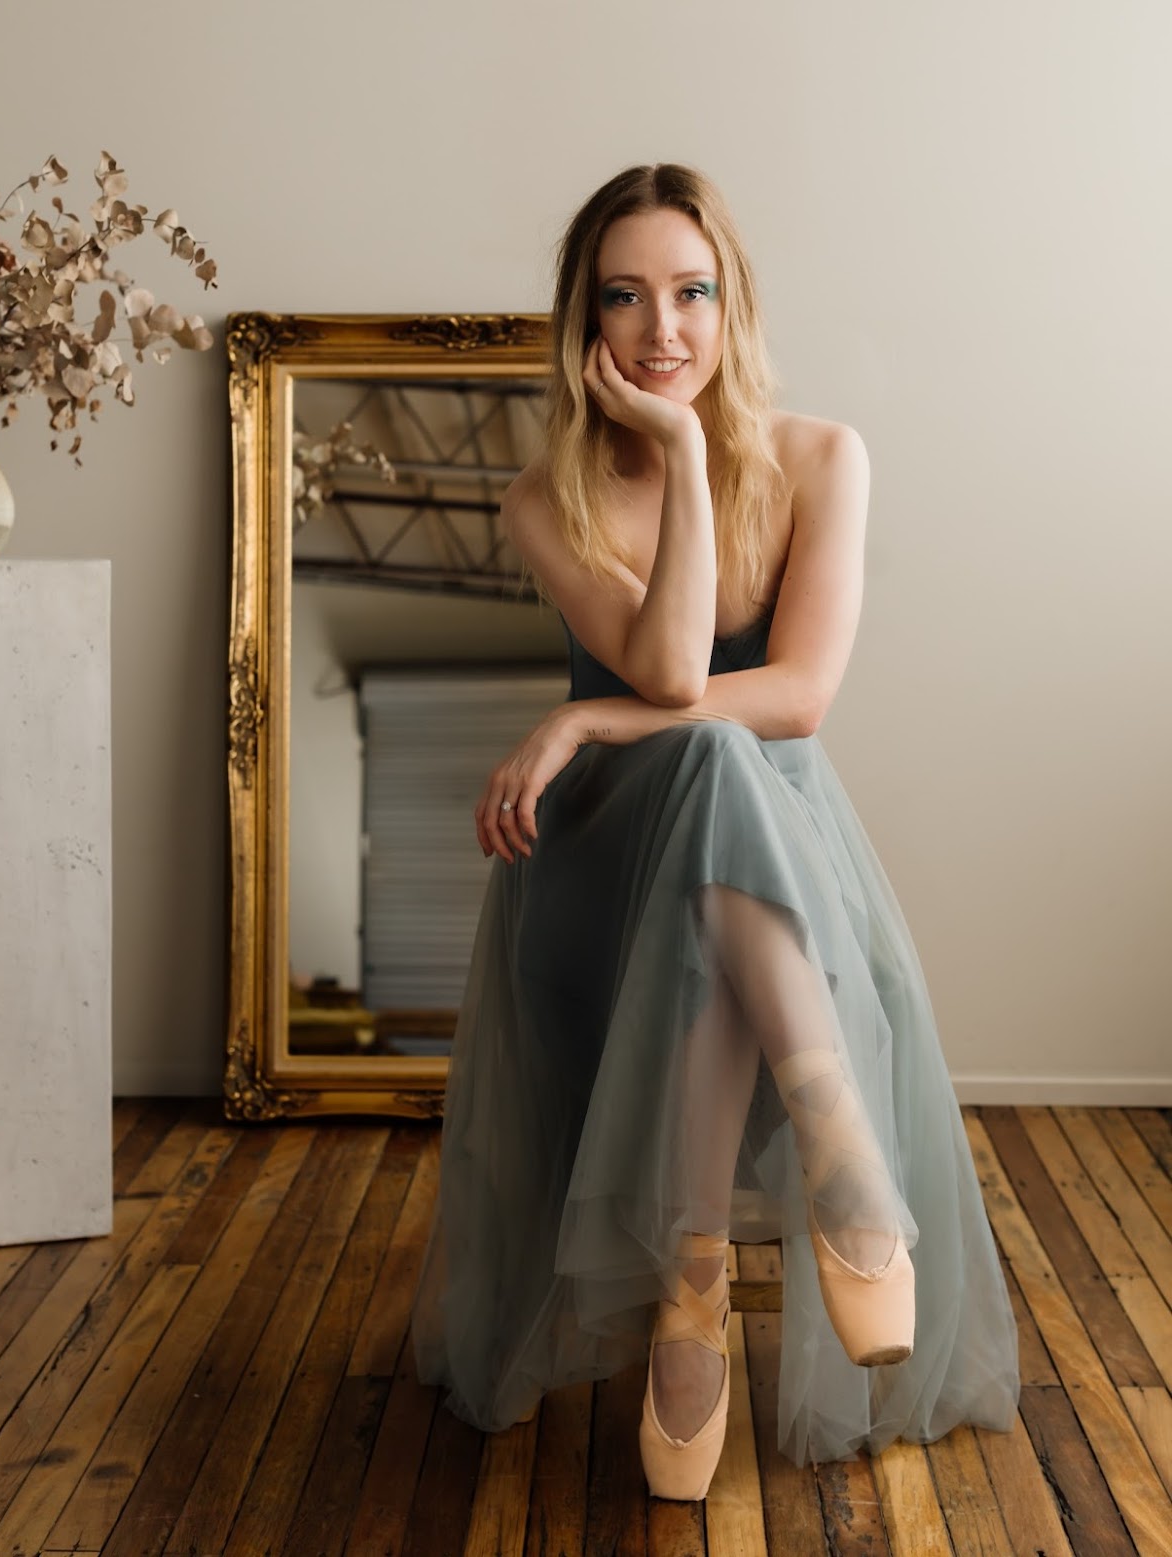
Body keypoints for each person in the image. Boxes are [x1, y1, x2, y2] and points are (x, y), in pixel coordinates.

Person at [410, 163, 1020, 1499]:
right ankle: (841, 1158)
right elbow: (678, 674)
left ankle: (690, 1304)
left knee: (725, 779)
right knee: (703, 754)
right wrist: (681, 454)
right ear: (586, 324)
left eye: (691, 293)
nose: (661, 330)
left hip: (764, 868)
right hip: (594, 876)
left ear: (733, 303)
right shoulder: (541, 499)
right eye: (624, 298)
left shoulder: (822, 457)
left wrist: (580, 719)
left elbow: (800, 696)